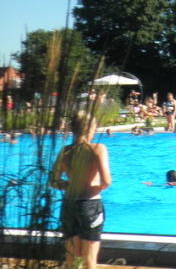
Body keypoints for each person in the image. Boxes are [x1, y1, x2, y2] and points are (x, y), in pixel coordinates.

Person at [49, 112, 113, 269]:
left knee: (71, 258)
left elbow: (53, 181)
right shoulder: (98, 149)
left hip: (69, 205)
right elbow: (106, 181)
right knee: (89, 258)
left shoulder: (65, 151)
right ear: (90, 128)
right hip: (90, 206)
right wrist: (96, 188)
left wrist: (70, 185)